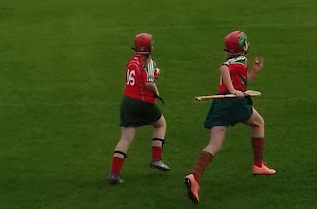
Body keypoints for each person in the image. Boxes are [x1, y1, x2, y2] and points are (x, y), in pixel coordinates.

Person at [184, 30, 274, 205]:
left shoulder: (234, 60)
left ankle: (194, 177)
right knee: (258, 123)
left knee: (215, 144)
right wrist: (233, 91)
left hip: (221, 105)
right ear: (243, 46)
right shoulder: (238, 60)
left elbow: (241, 82)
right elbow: (224, 70)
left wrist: (254, 73)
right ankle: (258, 164)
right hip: (234, 103)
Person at [107, 33, 169, 185]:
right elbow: (148, 83)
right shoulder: (148, 62)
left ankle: (114, 173)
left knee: (126, 138)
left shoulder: (131, 61)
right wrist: (156, 92)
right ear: (148, 48)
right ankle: (156, 159)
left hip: (127, 102)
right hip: (142, 102)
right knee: (160, 124)